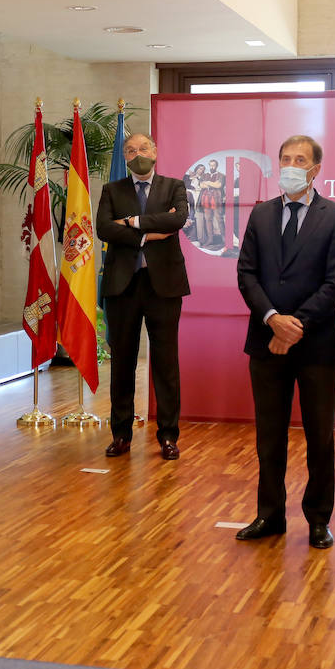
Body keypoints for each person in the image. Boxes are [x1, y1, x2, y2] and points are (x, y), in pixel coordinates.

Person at [234, 135, 335, 549]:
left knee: (320, 435)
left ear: (316, 168)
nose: (291, 165)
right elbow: (246, 274)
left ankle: (319, 519)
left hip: (316, 344)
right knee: (269, 434)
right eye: (285, 158)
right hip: (265, 342)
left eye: (300, 159)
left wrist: (295, 325)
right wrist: (272, 320)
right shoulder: (262, 214)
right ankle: (269, 515)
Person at [95, 132, 190, 461]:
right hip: (123, 285)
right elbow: (104, 229)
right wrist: (147, 235)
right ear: (125, 157)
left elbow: (177, 219)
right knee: (122, 363)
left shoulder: (173, 186)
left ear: (155, 151)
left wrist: (134, 223)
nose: (138, 155)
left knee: (166, 363)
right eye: (131, 150)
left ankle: (168, 435)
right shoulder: (112, 190)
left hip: (164, 285)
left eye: (143, 148)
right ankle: (120, 434)